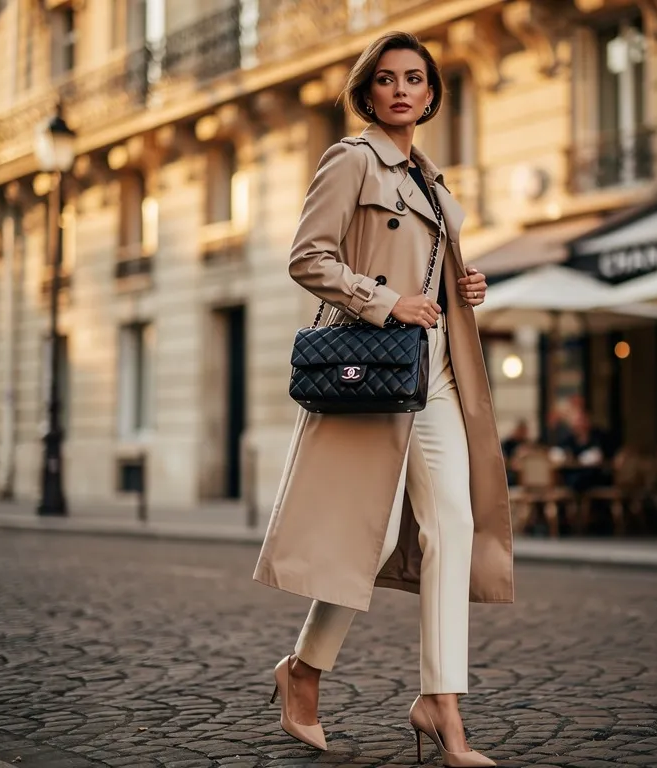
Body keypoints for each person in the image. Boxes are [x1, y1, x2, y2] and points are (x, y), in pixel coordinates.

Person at [253, 31, 513, 767]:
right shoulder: (351, 160)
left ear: (431, 95)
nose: (402, 90)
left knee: (453, 526)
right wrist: (385, 299)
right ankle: (303, 671)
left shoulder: (433, 179)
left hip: (439, 373)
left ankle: (441, 702)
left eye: (416, 79)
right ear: (367, 92)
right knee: (359, 532)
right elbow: (308, 257)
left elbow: (425, 270)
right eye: (388, 79)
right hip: (375, 371)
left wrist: (463, 287)